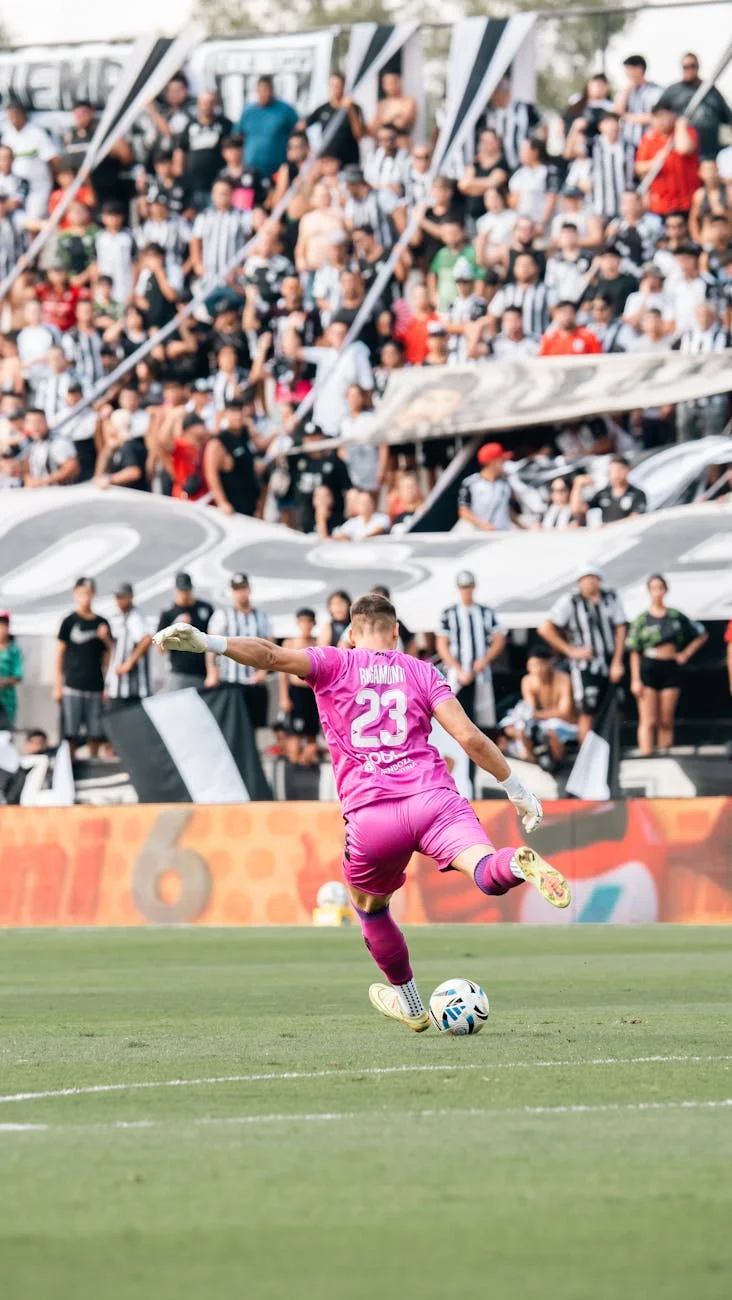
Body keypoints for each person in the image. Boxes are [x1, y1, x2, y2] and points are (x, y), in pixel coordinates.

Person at [153, 592, 569, 1032]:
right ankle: (516, 864)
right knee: (484, 868)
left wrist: (208, 643)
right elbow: (469, 737)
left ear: (351, 633)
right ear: (396, 632)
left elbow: (270, 655)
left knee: (371, 909)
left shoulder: (334, 662)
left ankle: (412, 1005)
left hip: (372, 816)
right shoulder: (423, 671)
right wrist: (516, 789)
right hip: (433, 799)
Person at [538, 566, 627, 743]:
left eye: (593, 578)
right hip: (585, 666)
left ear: (599, 579)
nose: (589, 582)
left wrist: (617, 661)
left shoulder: (610, 597)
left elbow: (621, 627)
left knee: (613, 709)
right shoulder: (571, 600)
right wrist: (569, 650)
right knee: (587, 712)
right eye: (585, 578)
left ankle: (611, 749)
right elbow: (545, 628)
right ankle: (586, 753)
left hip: (609, 663)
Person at [627, 574, 707, 755]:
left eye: (660, 588)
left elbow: (701, 634)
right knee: (649, 719)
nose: (657, 592)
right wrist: (635, 679)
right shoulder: (642, 619)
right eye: (653, 588)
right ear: (649, 591)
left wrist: (685, 654)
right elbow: (634, 650)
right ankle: (646, 753)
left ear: (666, 590)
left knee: (666, 719)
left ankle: (665, 753)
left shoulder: (675, 616)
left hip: (670, 666)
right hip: (649, 667)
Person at [436, 570, 506, 728]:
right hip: (457, 675)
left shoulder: (485, 612)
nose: (466, 590)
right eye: (463, 587)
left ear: (473, 587)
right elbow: (442, 644)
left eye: (468, 586)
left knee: (483, 719)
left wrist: (484, 660)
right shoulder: (449, 613)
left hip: (481, 672)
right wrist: (458, 669)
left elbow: (499, 639)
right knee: (457, 717)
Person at [205, 574, 272, 731]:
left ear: (249, 589)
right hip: (230, 681)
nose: (240, 593)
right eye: (237, 589)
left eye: (243, 588)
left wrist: (263, 672)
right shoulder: (223, 615)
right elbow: (211, 646)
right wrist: (212, 672)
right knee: (230, 727)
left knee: (254, 727)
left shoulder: (261, 617)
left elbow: (270, 646)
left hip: (254, 681)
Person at [55, 578, 112, 759]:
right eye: (81, 594)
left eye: (88, 593)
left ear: (93, 594)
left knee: (95, 732)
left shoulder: (102, 623)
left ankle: (93, 762)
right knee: (70, 733)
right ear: (75, 594)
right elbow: (59, 654)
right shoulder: (69, 622)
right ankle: (70, 763)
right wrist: (58, 685)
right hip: (72, 685)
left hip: (95, 685)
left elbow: (110, 655)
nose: (85, 598)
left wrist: (105, 639)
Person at [656, 52, 732, 160]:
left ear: (698, 67)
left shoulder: (710, 89)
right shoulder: (673, 91)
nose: (689, 69)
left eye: (693, 66)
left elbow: (728, 116)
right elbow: (657, 116)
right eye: (686, 67)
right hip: (685, 152)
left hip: (710, 152)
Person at [156, 573, 213, 692]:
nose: (185, 594)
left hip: (202, 672)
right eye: (182, 591)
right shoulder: (169, 614)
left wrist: (213, 671)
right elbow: (160, 649)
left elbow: (214, 640)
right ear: (176, 590)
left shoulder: (205, 609)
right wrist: (175, 628)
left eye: (187, 590)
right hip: (179, 671)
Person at [278, 607, 320, 765]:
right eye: (302, 622)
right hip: (295, 693)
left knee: (311, 741)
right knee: (293, 738)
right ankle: (294, 762)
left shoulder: (317, 644)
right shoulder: (289, 643)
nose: (305, 626)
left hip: (312, 694)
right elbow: (283, 673)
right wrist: (284, 697)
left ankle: (305, 765)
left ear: (313, 624)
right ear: (297, 623)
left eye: (308, 622)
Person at [237, 75, 298, 178]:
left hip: (278, 168)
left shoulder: (285, 111)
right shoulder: (248, 112)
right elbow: (238, 136)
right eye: (262, 90)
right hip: (251, 168)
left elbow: (297, 133)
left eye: (268, 90)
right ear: (257, 90)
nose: (266, 93)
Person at [304, 71, 366, 168]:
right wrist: (308, 148)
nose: (335, 89)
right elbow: (302, 126)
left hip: (349, 160)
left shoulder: (354, 108)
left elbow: (359, 134)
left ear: (344, 86)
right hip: (329, 162)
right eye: (333, 86)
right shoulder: (323, 109)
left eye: (338, 86)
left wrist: (351, 111)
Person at [106, 582, 153, 703]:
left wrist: (128, 663)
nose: (119, 601)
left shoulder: (134, 617)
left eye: (122, 597)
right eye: (117, 597)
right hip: (117, 686)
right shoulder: (117, 616)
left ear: (130, 597)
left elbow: (147, 639)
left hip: (132, 688)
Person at [570, 455, 647, 526]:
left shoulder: (637, 493)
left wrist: (609, 526)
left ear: (628, 469)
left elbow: (635, 519)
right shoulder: (604, 493)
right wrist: (577, 486)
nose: (616, 474)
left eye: (619, 470)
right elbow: (577, 510)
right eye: (612, 471)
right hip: (608, 534)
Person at [457, 442, 516, 532]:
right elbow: (463, 510)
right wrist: (482, 525)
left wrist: (526, 527)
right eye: (502, 461)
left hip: (504, 534)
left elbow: (509, 512)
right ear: (493, 462)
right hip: (481, 535)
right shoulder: (470, 483)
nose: (504, 464)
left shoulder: (506, 483)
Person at [0, 613, 23, 728]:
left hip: (7, 699)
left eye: (4, 626)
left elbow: (18, 675)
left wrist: (3, 682)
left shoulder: (13, 650)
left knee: (5, 730)